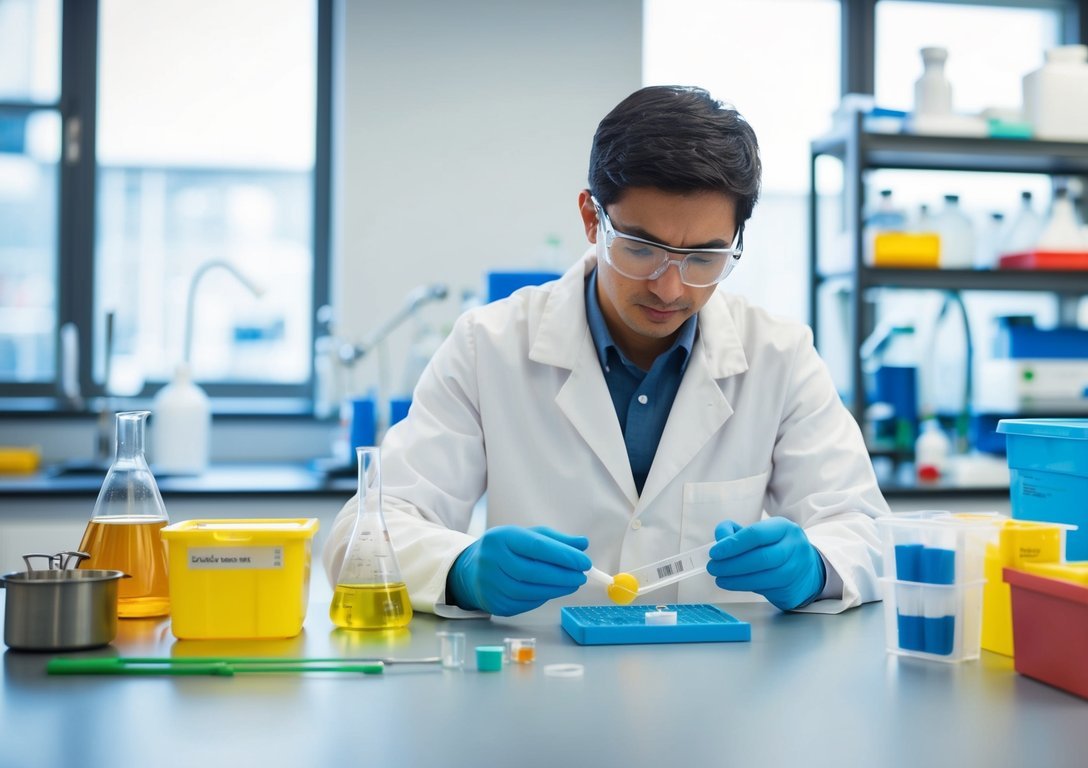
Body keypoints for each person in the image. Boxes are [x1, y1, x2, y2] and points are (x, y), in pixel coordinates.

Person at [323, 85, 889, 618]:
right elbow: (362, 535)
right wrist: (458, 569)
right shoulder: (487, 347)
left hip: (717, 691)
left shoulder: (779, 357)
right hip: (536, 684)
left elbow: (865, 529)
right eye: (642, 249)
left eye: (704, 258)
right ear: (592, 217)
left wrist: (813, 567)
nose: (671, 288)